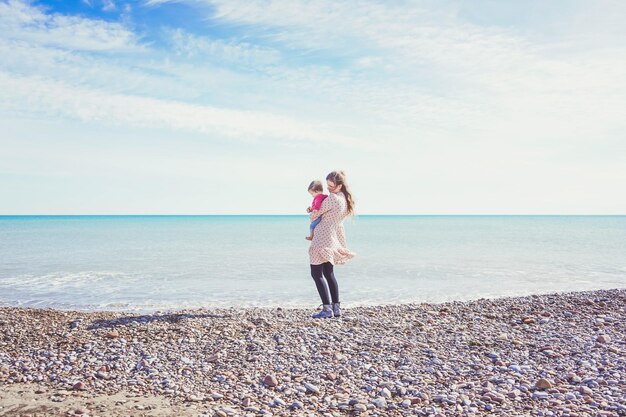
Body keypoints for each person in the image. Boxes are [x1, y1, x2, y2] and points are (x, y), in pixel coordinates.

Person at [308, 170, 355, 319]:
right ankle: (336, 308)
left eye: (331, 186)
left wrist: (311, 212)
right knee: (329, 273)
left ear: (339, 186)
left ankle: (327, 309)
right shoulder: (344, 199)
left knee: (316, 273)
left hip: (322, 237)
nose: (328, 189)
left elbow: (315, 214)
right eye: (327, 185)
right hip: (333, 237)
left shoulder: (332, 199)